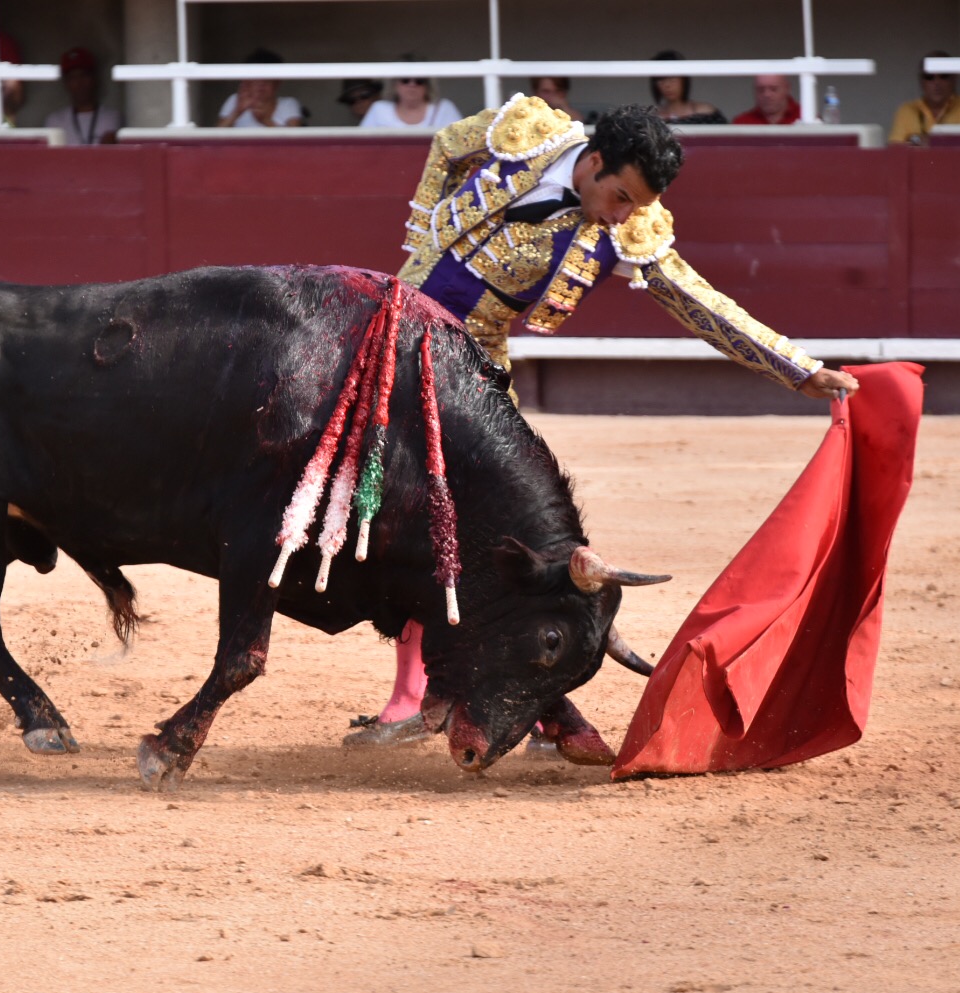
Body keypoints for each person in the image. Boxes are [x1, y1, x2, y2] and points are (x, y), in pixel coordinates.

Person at [349, 97, 858, 747]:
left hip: (469, 373)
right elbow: (449, 143)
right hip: (391, 340)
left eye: (634, 207)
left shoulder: (620, 231)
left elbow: (699, 301)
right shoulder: (527, 135)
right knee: (383, 514)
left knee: (454, 525)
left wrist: (798, 369)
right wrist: (423, 229)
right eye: (618, 195)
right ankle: (518, 707)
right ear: (590, 161)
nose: (622, 215)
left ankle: (431, 698)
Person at [888, 51, 960, 145]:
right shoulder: (907, 110)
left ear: (954, 78)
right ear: (921, 81)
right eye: (929, 77)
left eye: (943, 76)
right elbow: (895, 149)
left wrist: (917, 140)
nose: (937, 83)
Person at [44, 46, 121, 144]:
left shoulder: (111, 117)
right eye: (73, 78)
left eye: (83, 75)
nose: (79, 83)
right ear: (65, 82)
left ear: (94, 78)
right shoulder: (55, 121)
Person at [216, 48, 302, 128]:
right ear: (246, 81)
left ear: (277, 83)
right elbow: (214, 138)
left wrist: (266, 121)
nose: (261, 85)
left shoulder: (288, 104)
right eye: (256, 80)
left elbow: (296, 141)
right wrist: (237, 112)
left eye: (267, 80)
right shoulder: (234, 100)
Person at [649, 50, 725, 124]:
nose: (667, 85)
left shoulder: (706, 113)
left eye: (672, 78)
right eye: (661, 80)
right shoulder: (654, 119)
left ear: (684, 79)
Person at [360, 75, 461, 130]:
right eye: (405, 80)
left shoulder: (444, 108)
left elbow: (459, 144)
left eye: (419, 81)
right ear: (395, 85)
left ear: (427, 86)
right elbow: (362, 145)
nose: (412, 85)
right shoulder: (379, 109)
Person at [731, 74, 800, 125]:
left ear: (787, 89)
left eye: (773, 89)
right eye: (760, 90)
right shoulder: (742, 123)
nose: (767, 95)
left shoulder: (805, 117)